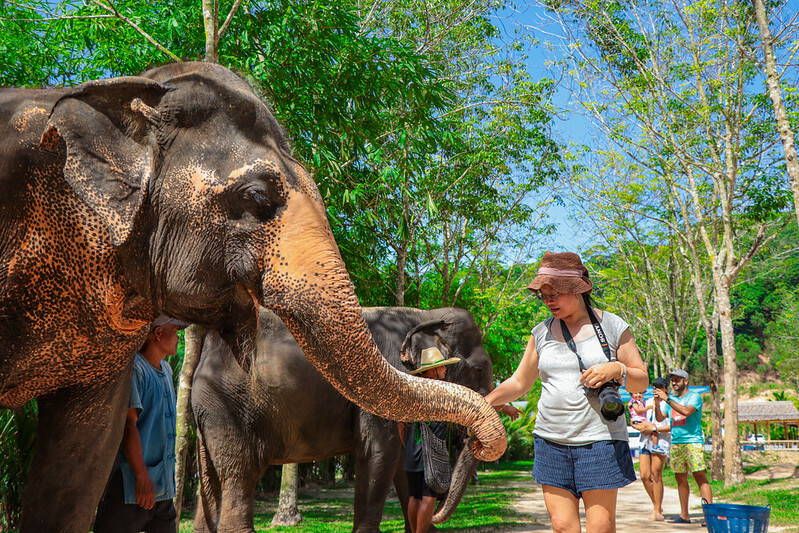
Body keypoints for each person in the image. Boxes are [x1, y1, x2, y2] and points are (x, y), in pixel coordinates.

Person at [484, 251, 648, 533]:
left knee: (601, 528)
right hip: (551, 441)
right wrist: (481, 403)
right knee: (563, 527)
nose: (548, 300)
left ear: (578, 289)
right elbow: (520, 382)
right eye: (543, 295)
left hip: (600, 441)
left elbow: (641, 381)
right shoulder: (541, 333)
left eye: (555, 293)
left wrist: (617, 369)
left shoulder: (612, 325)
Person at [94, 316, 188, 533]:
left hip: (161, 489)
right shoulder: (136, 369)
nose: (178, 337)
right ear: (158, 334)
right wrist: (141, 477)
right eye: (174, 330)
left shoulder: (166, 370)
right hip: (132, 486)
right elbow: (129, 426)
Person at [401, 346, 460, 533]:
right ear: (432, 370)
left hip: (412, 451)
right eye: (442, 367)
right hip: (431, 455)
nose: (445, 369)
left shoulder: (412, 391)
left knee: (414, 496)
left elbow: (400, 422)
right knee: (429, 497)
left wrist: (408, 446)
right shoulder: (442, 391)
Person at [654, 368, 713, 524]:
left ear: (686, 381)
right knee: (680, 478)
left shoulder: (694, 397)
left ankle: (709, 516)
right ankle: (684, 515)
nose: (674, 382)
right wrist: (656, 403)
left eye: (677, 380)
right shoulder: (671, 399)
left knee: (700, 477)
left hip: (693, 441)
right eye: (672, 380)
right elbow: (660, 419)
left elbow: (686, 412)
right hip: (677, 442)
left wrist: (667, 399)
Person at [632, 377, 671, 521]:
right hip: (644, 441)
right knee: (644, 475)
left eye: (660, 386)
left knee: (656, 475)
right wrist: (639, 427)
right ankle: (657, 504)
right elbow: (638, 418)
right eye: (655, 387)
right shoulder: (647, 403)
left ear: (666, 388)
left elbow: (671, 426)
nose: (657, 389)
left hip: (660, 441)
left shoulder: (670, 404)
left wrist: (655, 428)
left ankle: (657, 509)